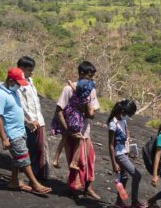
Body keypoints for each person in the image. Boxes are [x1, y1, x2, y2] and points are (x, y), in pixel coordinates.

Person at [0, 68, 51, 194]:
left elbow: (17, 110)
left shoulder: (13, 92)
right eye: (18, 83)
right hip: (12, 134)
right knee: (24, 158)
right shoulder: (0, 95)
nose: (20, 86)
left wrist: (28, 122)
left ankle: (14, 181)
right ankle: (36, 184)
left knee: (17, 158)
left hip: (21, 130)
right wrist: (4, 138)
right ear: (10, 80)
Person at [53, 61, 100, 199]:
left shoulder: (91, 91)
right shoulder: (68, 89)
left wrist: (86, 107)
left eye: (92, 76)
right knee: (77, 161)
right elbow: (59, 111)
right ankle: (73, 187)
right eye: (88, 75)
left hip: (85, 130)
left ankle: (88, 187)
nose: (90, 79)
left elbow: (92, 115)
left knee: (90, 160)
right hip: (72, 130)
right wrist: (67, 131)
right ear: (80, 73)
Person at [108, 99, 147, 208]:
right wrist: (114, 163)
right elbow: (110, 145)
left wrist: (130, 150)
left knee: (124, 177)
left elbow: (126, 138)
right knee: (137, 175)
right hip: (119, 155)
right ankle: (134, 202)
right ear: (123, 112)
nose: (129, 118)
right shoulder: (113, 123)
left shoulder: (123, 121)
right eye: (129, 115)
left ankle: (119, 202)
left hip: (124, 152)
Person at [16, 56, 50, 181]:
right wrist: (29, 120)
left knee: (40, 147)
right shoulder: (18, 83)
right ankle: (33, 175)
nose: (32, 71)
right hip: (28, 121)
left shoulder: (30, 81)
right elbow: (22, 104)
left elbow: (34, 102)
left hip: (38, 119)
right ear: (22, 68)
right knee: (31, 147)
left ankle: (38, 174)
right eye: (30, 69)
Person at [53, 78, 95, 171]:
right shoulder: (84, 99)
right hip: (76, 121)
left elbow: (73, 86)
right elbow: (89, 113)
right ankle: (73, 162)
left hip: (68, 117)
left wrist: (69, 81)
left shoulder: (75, 92)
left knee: (64, 138)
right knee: (79, 140)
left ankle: (56, 159)